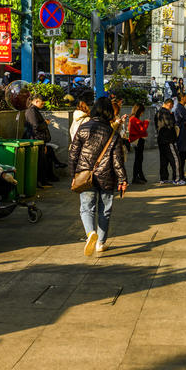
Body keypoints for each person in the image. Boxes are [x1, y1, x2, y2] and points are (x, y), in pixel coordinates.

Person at [69, 97, 127, 256]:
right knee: (105, 210)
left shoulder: (83, 128)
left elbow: (73, 154)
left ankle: (90, 234)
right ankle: (100, 243)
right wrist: (123, 179)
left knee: (87, 208)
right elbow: (117, 160)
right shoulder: (112, 132)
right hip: (107, 176)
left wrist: (73, 174)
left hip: (85, 175)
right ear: (109, 112)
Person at [24, 93, 55, 187]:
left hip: (38, 140)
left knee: (42, 162)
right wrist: (45, 123)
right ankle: (39, 182)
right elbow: (35, 126)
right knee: (40, 163)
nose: (43, 105)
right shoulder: (31, 111)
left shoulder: (34, 111)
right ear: (36, 101)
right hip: (35, 140)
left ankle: (43, 181)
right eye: (42, 103)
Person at [155, 98, 184, 185]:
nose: (172, 108)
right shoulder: (167, 113)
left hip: (161, 139)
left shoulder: (158, 112)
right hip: (168, 139)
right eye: (171, 106)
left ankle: (164, 178)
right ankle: (177, 178)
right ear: (169, 104)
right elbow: (170, 124)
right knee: (175, 159)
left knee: (164, 160)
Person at [174, 93, 186, 183]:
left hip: (183, 136)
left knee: (182, 158)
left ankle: (182, 176)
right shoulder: (180, 108)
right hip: (182, 136)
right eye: (185, 97)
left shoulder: (180, 108)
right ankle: (180, 177)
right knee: (181, 158)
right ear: (182, 98)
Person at [129, 103, 149, 184]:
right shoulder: (134, 119)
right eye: (142, 112)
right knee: (138, 159)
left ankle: (139, 176)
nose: (142, 113)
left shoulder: (133, 118)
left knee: (139, 159)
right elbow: (142, 130)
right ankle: (136, 177)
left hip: (137, 140)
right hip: (138, 140)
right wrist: (146, 122)